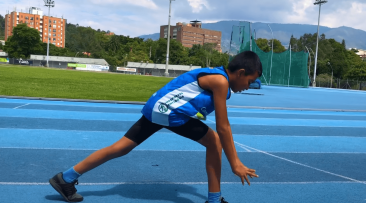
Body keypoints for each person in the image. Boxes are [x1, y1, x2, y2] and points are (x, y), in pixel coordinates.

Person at [49, 51, 262, 203]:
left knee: (120, 148)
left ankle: (66, 178)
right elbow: (223, 127)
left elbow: (180, 90)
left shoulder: (216, 75)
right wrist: (235, 163)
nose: (248, 87)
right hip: (168, 113)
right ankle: (214, 200)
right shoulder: (221, 81)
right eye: (250, 81)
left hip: (158, 109)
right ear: (241, 72)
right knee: (215, 141)